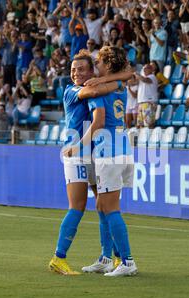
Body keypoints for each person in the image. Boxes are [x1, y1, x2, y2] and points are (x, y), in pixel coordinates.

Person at [49, 49, 132, 275]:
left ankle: (109, 257)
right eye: (73, 69)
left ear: (91, 70)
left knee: (102, 206)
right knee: (78, 206)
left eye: (82, 69)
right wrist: (115, 80)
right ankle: (59, 257)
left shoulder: (97, 88)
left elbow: (125, 75)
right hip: (76, 151)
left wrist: (110, 78)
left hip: (94, 150)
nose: (76, 73)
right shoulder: (73, 90)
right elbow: (102, 86)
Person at [77, 46, 137, 276]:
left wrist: (78, 146)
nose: (95, 67)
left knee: (110, 208)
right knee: (102, 206)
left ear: (108, 65)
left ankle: (128, 261)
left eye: (99, 62)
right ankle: (105, 257)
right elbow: (126, 75)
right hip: (119, 149)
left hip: (110, 152)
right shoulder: (118, 85)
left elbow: (92, 97)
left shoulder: (101, 89)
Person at [135, 63, 159, 128]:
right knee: (140, 125)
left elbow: (145, 80)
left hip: (149, 103)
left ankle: (150, 137)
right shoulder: (142, 78)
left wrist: (136, 74)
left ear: (151, 69)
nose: (144, 70)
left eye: (146, 68)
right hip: (141, 103)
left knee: (148, 124)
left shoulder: (152, 77)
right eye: (143, 68)